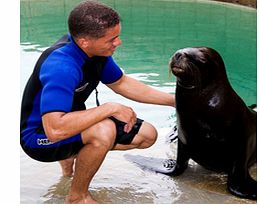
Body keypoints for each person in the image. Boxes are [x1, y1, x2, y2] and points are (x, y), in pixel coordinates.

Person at [20, 1, 175, 203]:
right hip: (39, 137)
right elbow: (54, 130)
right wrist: (110, 108)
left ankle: (70, 157)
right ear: (84, 41)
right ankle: (77, 197)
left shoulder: (95, 52)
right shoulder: (62, 67)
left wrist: (174, 101)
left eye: (117, 36)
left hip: (70, 121)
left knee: (147, 135)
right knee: (103, 131)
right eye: (112, 39)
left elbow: (121, 83)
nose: (118, 43)